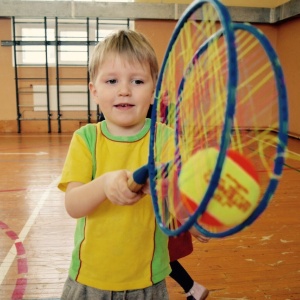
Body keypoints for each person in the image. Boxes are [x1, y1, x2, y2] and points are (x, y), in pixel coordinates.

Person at [58, 29, 171, 299]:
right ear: (94, 91)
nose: (124, 91)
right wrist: (105, 184)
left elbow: (177, 203)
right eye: (111, 81)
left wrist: (178, 201)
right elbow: (73, 205)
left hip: (148, 280)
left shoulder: (165, 139)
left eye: (137, 81)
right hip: (90, 279)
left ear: (154, 89)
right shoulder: (86, 139)